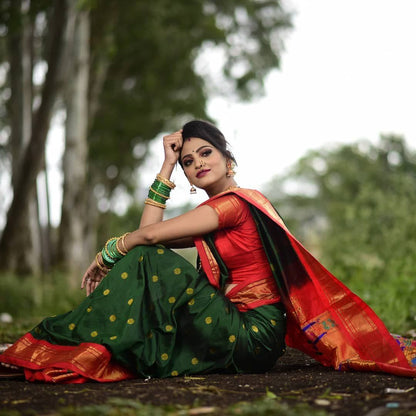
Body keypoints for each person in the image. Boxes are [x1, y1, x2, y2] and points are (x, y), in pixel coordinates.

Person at [0, 120, 415, 382]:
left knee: (145, 256)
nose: (197, 163)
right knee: (148, 259)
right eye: (188, 161)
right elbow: (151, 233)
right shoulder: (213, 212)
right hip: (236, 324)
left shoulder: (233, 206)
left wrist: (110, 249)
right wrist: (164, 166)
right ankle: (70, 343)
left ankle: (57, 340)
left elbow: (144, 241)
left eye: (206, 153)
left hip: (252, 334)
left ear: (227, 159)